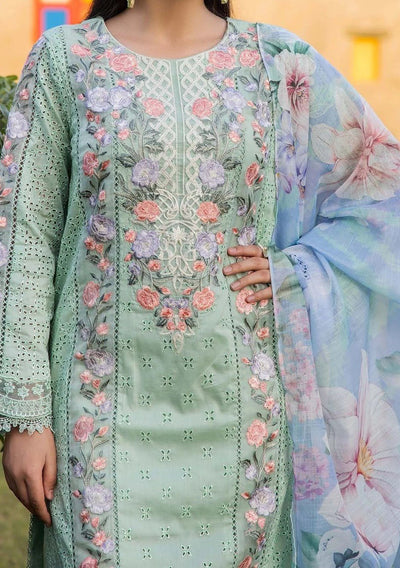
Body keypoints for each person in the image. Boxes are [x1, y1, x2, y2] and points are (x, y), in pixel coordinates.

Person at [0, 0, 399, 567]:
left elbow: (382, 192)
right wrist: (25, 416)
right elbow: (25, 238)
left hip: (245, 428)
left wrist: (297, 270)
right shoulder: (65, 61)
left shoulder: (276, 61)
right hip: (95, 420)